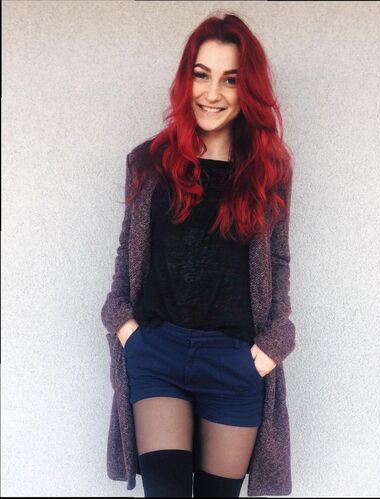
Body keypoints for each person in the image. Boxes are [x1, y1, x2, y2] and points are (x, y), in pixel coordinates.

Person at [101, 11, 296, 498]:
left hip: (233, 362)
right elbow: (129, 250)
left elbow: (277, 260)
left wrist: (274, 344)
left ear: (248, 89)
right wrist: (123, 323)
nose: (212, 93)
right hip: (157, 353)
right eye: (201, 75)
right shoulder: (150, 161)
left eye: (230, 79)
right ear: (185, 80)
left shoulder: (268, 171)